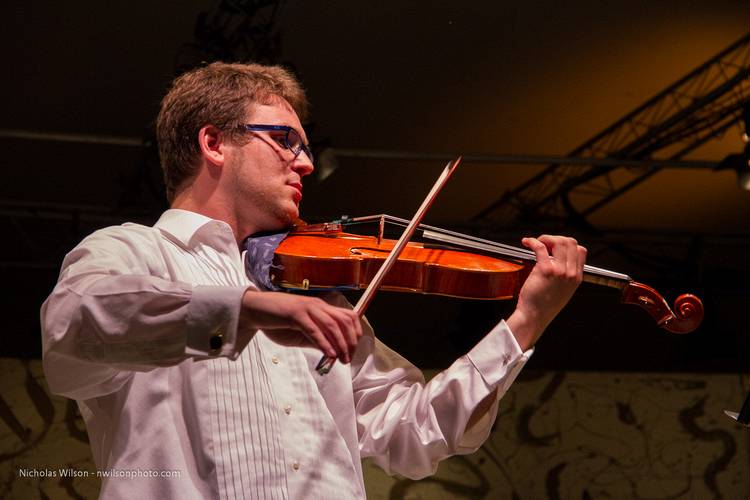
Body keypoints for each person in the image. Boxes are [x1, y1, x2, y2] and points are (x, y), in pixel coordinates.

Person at [41, 62, 587, 499]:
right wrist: (247, 309)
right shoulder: (133, 251)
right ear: (214, 144)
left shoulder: (308, 291)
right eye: (285, 140)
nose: (304, 164)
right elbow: (73, 328)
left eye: (304, 147)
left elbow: (416, 432)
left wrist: (527, 320)